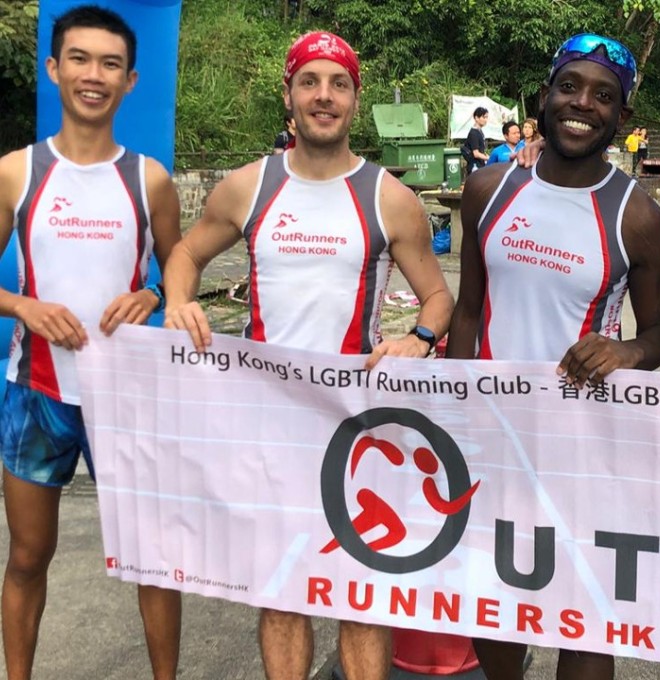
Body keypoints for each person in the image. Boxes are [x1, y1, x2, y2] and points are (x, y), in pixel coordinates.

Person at [162, 30, 454, 680]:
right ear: (288, 96)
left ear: (355, 98)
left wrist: (421, 338)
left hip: (358, 426)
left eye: (339, 83)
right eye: (310, 82)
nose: (324, 96)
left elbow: (438, 297)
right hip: (268, 426)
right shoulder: (248, 187)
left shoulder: (389, 198)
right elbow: (185, 254)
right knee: (283, 590)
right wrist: (180, 300)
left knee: (361, 598)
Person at [447, 32, 660, 680]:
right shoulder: (488, 190)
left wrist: (627, 348)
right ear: (545, 97)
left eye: (604, 95)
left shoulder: (638, 217)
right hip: (492, 436)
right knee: (492, 604)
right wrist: (458, 414)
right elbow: (468, 310)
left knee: (581, 615)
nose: (583, 103)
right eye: (570, 87)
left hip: (585, 443)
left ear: (622, 116)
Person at [0, 6, 183, 680]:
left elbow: (180, 274)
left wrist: (155, 295)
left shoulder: (150, 180)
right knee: (26, 556)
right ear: (54, 69)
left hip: (127, 397)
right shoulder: (16, 172)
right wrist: (22, 305)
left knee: (152, 556)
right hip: (38, 393)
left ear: (131, 80)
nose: (93, 75)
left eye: (110, 64)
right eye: (79, 59)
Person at [462, 106, 489, 175]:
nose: (486, 120)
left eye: (486, 117)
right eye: (483, 117)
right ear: (476, 118)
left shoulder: (479, 131)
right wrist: (488, 158)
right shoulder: (473, 133)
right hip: (475, 166)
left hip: (480, 165)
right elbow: (476, 153)